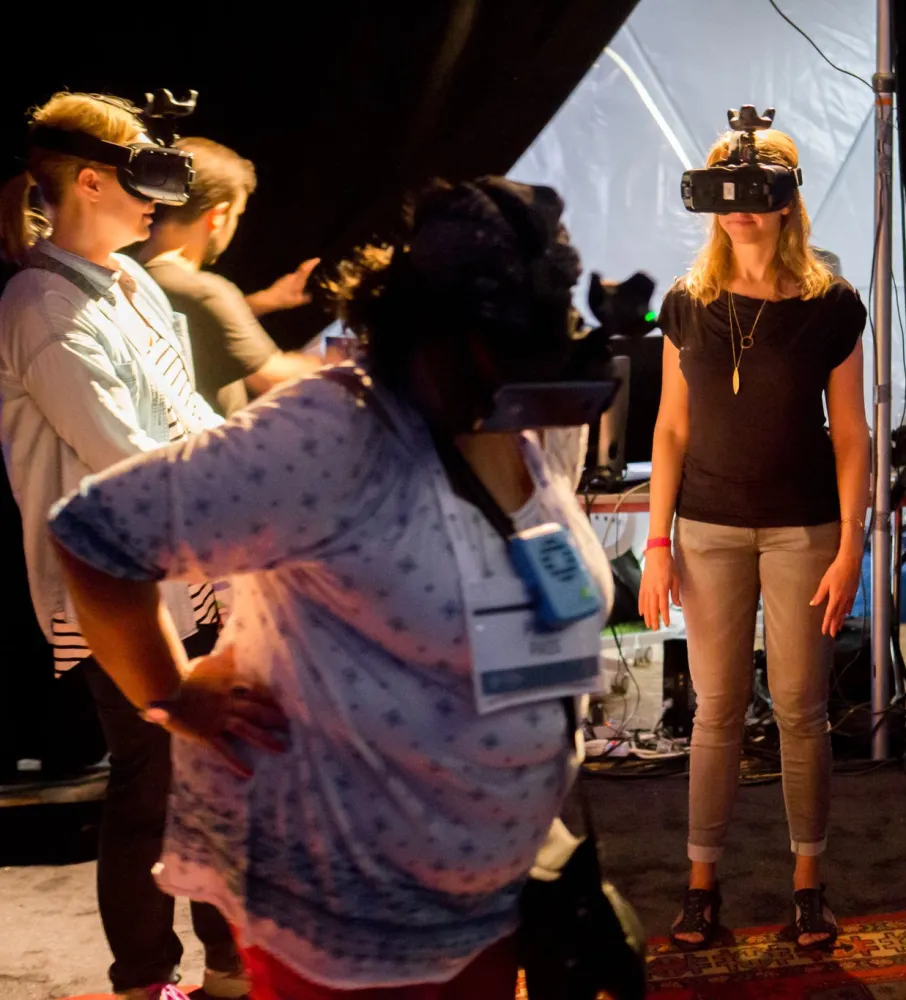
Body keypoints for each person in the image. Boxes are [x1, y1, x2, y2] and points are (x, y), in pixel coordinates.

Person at [49, 175, 613, 998]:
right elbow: (96, 533)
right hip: (350, 909)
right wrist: (170, 695)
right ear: (435, 327)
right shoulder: (334, 430)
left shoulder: (521, 416)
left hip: (499, 889)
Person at [0, 92, 243, 1000]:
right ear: (90, 180)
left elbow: (185, 413)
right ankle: (147, 982)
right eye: (143, 176)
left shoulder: (132, 283)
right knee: (152, 784)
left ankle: (229, 969)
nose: (159, 201)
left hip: (188, 570)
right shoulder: (40, 301)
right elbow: (124, 453)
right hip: (117, 590)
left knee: (214, 778)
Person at [637, 128, 870, 951]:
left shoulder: (831, 305)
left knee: (802, 709)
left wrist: (852, 545)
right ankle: (701, 886)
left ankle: (808, 885)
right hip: (706, 531)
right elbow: (670, 429)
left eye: (755, 188)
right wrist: (655, 542)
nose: (738, 207)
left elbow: (852, 435)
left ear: (786, 198)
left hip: (804, 530)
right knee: (717, 711)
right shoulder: (686, 302)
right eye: (722, 189)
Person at [138, 137, 322, 417]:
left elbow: (196, 320)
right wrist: (349, 355)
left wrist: (264, 301)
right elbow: (277, 379)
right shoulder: (205, 291)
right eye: (237, 214)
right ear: (219, 215)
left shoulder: (130, 269)